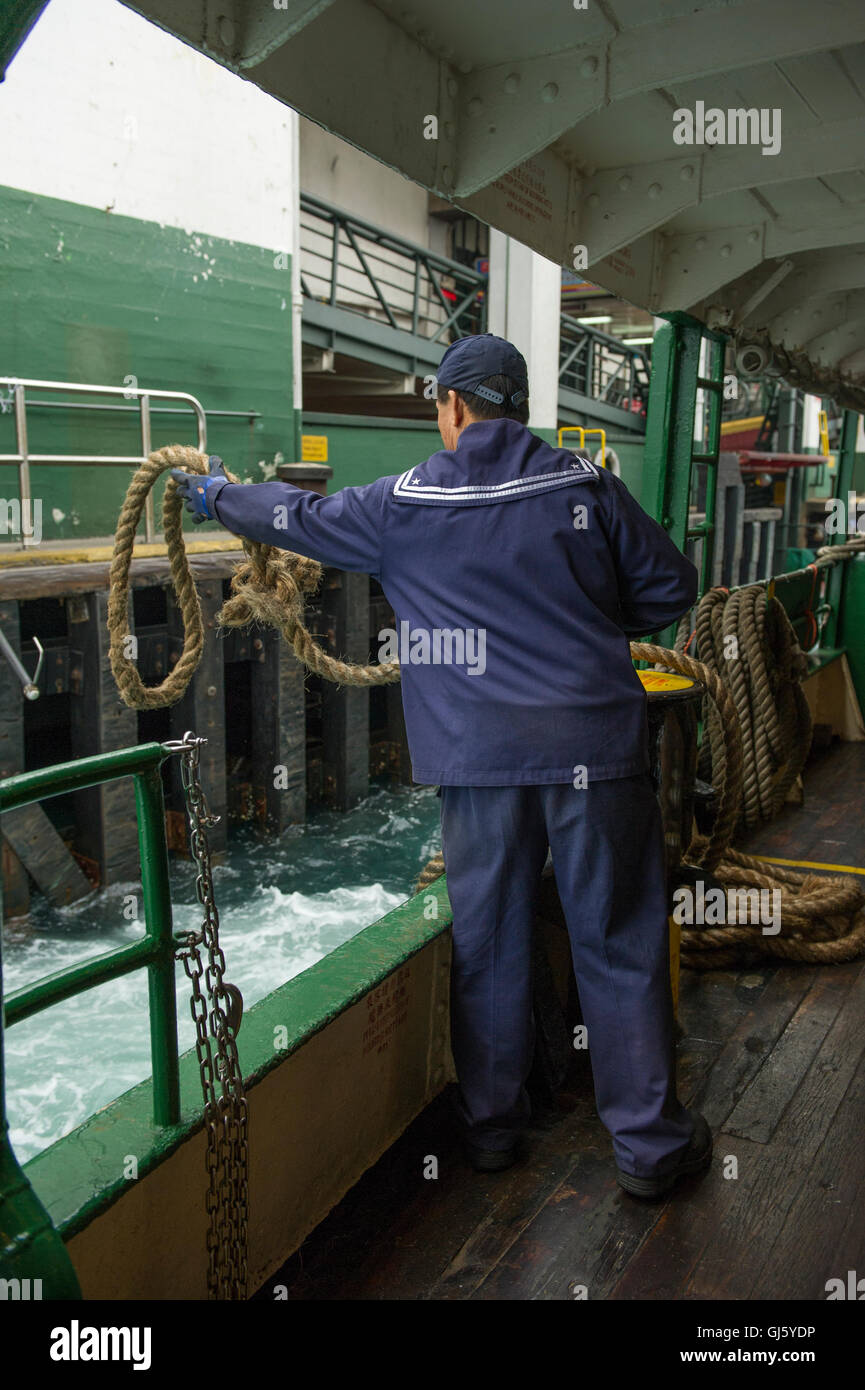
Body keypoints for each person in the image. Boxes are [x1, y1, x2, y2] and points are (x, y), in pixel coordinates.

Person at [171, 333, 712, 1198]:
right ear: (520, 408)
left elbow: (293, 518)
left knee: (490, 942)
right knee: (617, 943)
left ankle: (492, 1130)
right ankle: (647, 1151)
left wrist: (214, 492)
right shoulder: (586, 487)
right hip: (594, 755)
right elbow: (669, 591)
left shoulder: (401, 505)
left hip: (477, 763)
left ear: (452, 408)